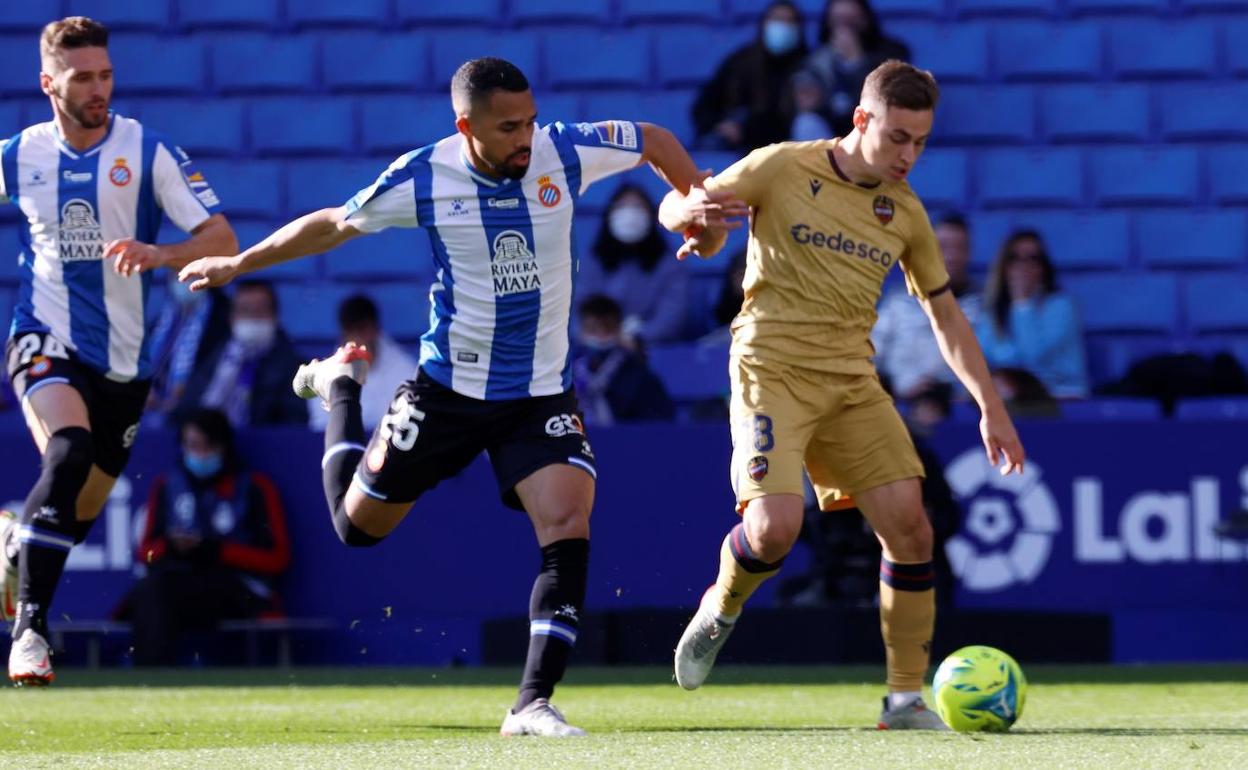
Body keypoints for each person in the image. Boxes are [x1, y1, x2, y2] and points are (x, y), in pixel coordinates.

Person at [179, 58, 743, 736]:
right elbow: (332, 223)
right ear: (465, 126)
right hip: (447, 390)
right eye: (508, 128)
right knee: (357, 529)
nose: (526, 139)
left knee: (567, 521)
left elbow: (651, 137)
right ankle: (338, 390)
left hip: (538, 393)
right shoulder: (425, 175)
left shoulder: (563, 151)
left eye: (530, 121)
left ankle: (531, 703)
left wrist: (695, 195)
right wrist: (238, 265)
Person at [658, 60, 1025, 729]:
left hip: (852, 381)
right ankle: (723, 604)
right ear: (861, 119)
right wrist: (690, 210)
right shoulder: (782, 166)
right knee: (774, 531)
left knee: (912, 529)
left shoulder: (903, 211)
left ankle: (905, 700)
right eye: (897, 138)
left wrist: (990, 408)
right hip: (771, 369)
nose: (908, 155)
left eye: (920, 141)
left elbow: (947, 317)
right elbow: (682, 205)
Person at [0, 16, 237, 686]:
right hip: (44, 335)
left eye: (106, 74)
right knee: (67, 451)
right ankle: (30, 635)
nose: (100, 87)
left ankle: (15, 541)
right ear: (49, 83)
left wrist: (160, 253)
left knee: (73, 516)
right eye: (83, 77)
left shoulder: (149, 152)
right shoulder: (18, 155)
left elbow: (220, 236)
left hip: (126, 366)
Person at [123, 408, 290, 666]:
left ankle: (153, 675)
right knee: (153, 590)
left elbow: (277, 558)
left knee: (162, 592)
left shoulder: (255, 487)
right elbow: (145, 553)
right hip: (179, 581)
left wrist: (216, 550)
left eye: (207, 445)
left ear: (223, 446)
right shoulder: (168, 486)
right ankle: (150, 676)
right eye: (192, 445)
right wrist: (171, 546)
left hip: (239, 589)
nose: (200, 453)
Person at [872, 212, 981, 401]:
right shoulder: (896, 304)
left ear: (969, 253)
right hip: (893, 404)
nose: (952, 257)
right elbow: (869, 357)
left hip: (955, 409)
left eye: (960, 248)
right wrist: (899, 386)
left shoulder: (982, 307)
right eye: (943, 247)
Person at [175, 279, 307, 427]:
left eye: (260, 311)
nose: (253, 318)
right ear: (232, 318)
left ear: (275, 316)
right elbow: (185, 412)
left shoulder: (293, 367)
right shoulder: (211, 358)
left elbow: (294, 422)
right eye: (245, 311)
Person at [975, 229, 1089, 399]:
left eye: (1033, 259)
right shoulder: (993, 311)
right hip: (1012, 398)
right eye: (1014, 258)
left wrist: (1023, 304)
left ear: (1044, 267)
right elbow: (985, 358)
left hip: (1061, 398)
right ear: (1004, 266)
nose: (1023, 266)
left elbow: (1033, 357)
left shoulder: (1061, 307)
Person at [577, 183, 689, 345]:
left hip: (651, 352)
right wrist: (595, 335)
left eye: (637, 206)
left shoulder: (670, 265)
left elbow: (673, 316)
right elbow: (575, 311)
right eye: (622, 206)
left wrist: (639, 336)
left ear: (651, 216)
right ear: (610, 215)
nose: (630, 214)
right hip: (594, 350)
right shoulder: (591, 261)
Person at [692, 1, 809, 151]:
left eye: (789, 22)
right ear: (764, 24)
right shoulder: (740, 63)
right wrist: (720, 125)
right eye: (777, 20)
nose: (782, 27)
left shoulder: (808, 66)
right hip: (740, 148)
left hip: (788, 150)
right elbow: (703, 106)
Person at [800, 0, 911, 138]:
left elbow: (889, 99)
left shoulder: (891, 52)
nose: (844, 28)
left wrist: (855, 61)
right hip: (831, 132)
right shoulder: (818, 59)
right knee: (806, 123)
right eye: (838, 20)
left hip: (873, 125)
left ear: (866, 19)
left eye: (851, 20)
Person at [308, 294, 417, 432]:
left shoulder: (405, 370)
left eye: (363, 329)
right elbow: (321, 429)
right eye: (351, 330)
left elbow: (407, 427)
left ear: (375, 329)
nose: (357, 338)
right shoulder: (324, 376)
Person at [571, 294, 675, 425]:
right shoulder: (566, 373)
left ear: (619, 331)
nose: (600, 336)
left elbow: (659, 423)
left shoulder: (638, 374)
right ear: (581, 332)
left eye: (608, 328)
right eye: (592, 329)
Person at [146, 274, 232, 421]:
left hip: (194, 414)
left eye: (190, 268)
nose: (184, 276)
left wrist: (180, 400)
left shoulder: (225, 320)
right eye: (176, 269)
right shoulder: (164, 317)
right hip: (151, 410)